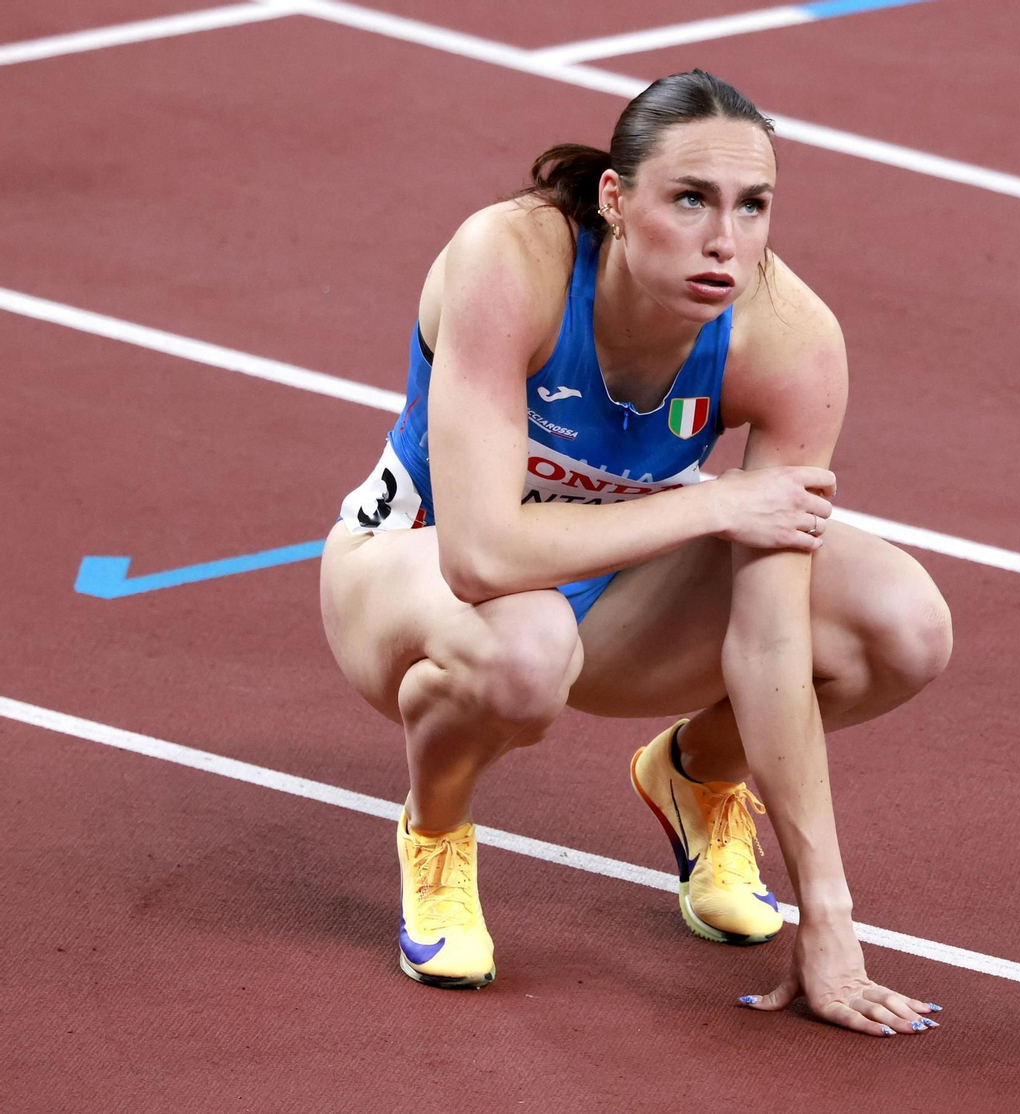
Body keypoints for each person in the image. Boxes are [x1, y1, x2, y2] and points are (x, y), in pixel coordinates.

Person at [319, 69, 952, 1037]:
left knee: (902, 626)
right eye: (691, 199)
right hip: (409, 573)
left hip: (619, 595)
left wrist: (828, 916)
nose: (725, 240)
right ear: (615, 199)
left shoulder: (790, 339)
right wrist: (714, 503)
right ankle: (435, 833)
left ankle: (696, 774)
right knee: (526, 644)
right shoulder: (509, 258)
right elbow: (481, 559)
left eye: (752, 206)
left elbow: (770, 636)